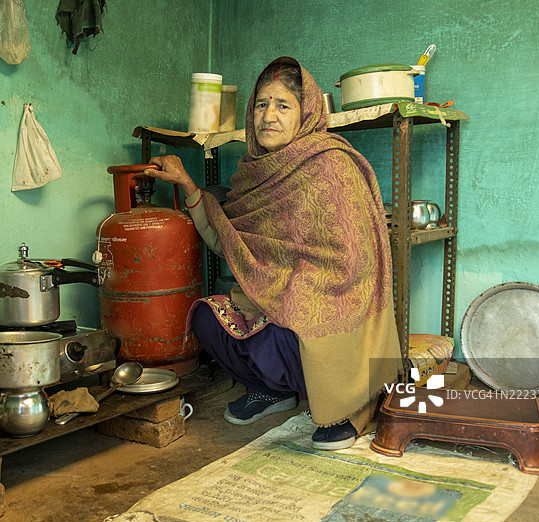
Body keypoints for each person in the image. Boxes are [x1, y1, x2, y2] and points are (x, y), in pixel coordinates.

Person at [143, 57, 402, 451]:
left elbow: (356, 262)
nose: (269, 115)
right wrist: (186, 183)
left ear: (306, 113)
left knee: (290, 315)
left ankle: (345, 406)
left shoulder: (331, 165)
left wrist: (296, 288)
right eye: (261, 104)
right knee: (207, 318)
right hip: (277, 302)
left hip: (330, 307)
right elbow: (229, 242)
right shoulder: (253, 173)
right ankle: (270, 389)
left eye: (283, 105)